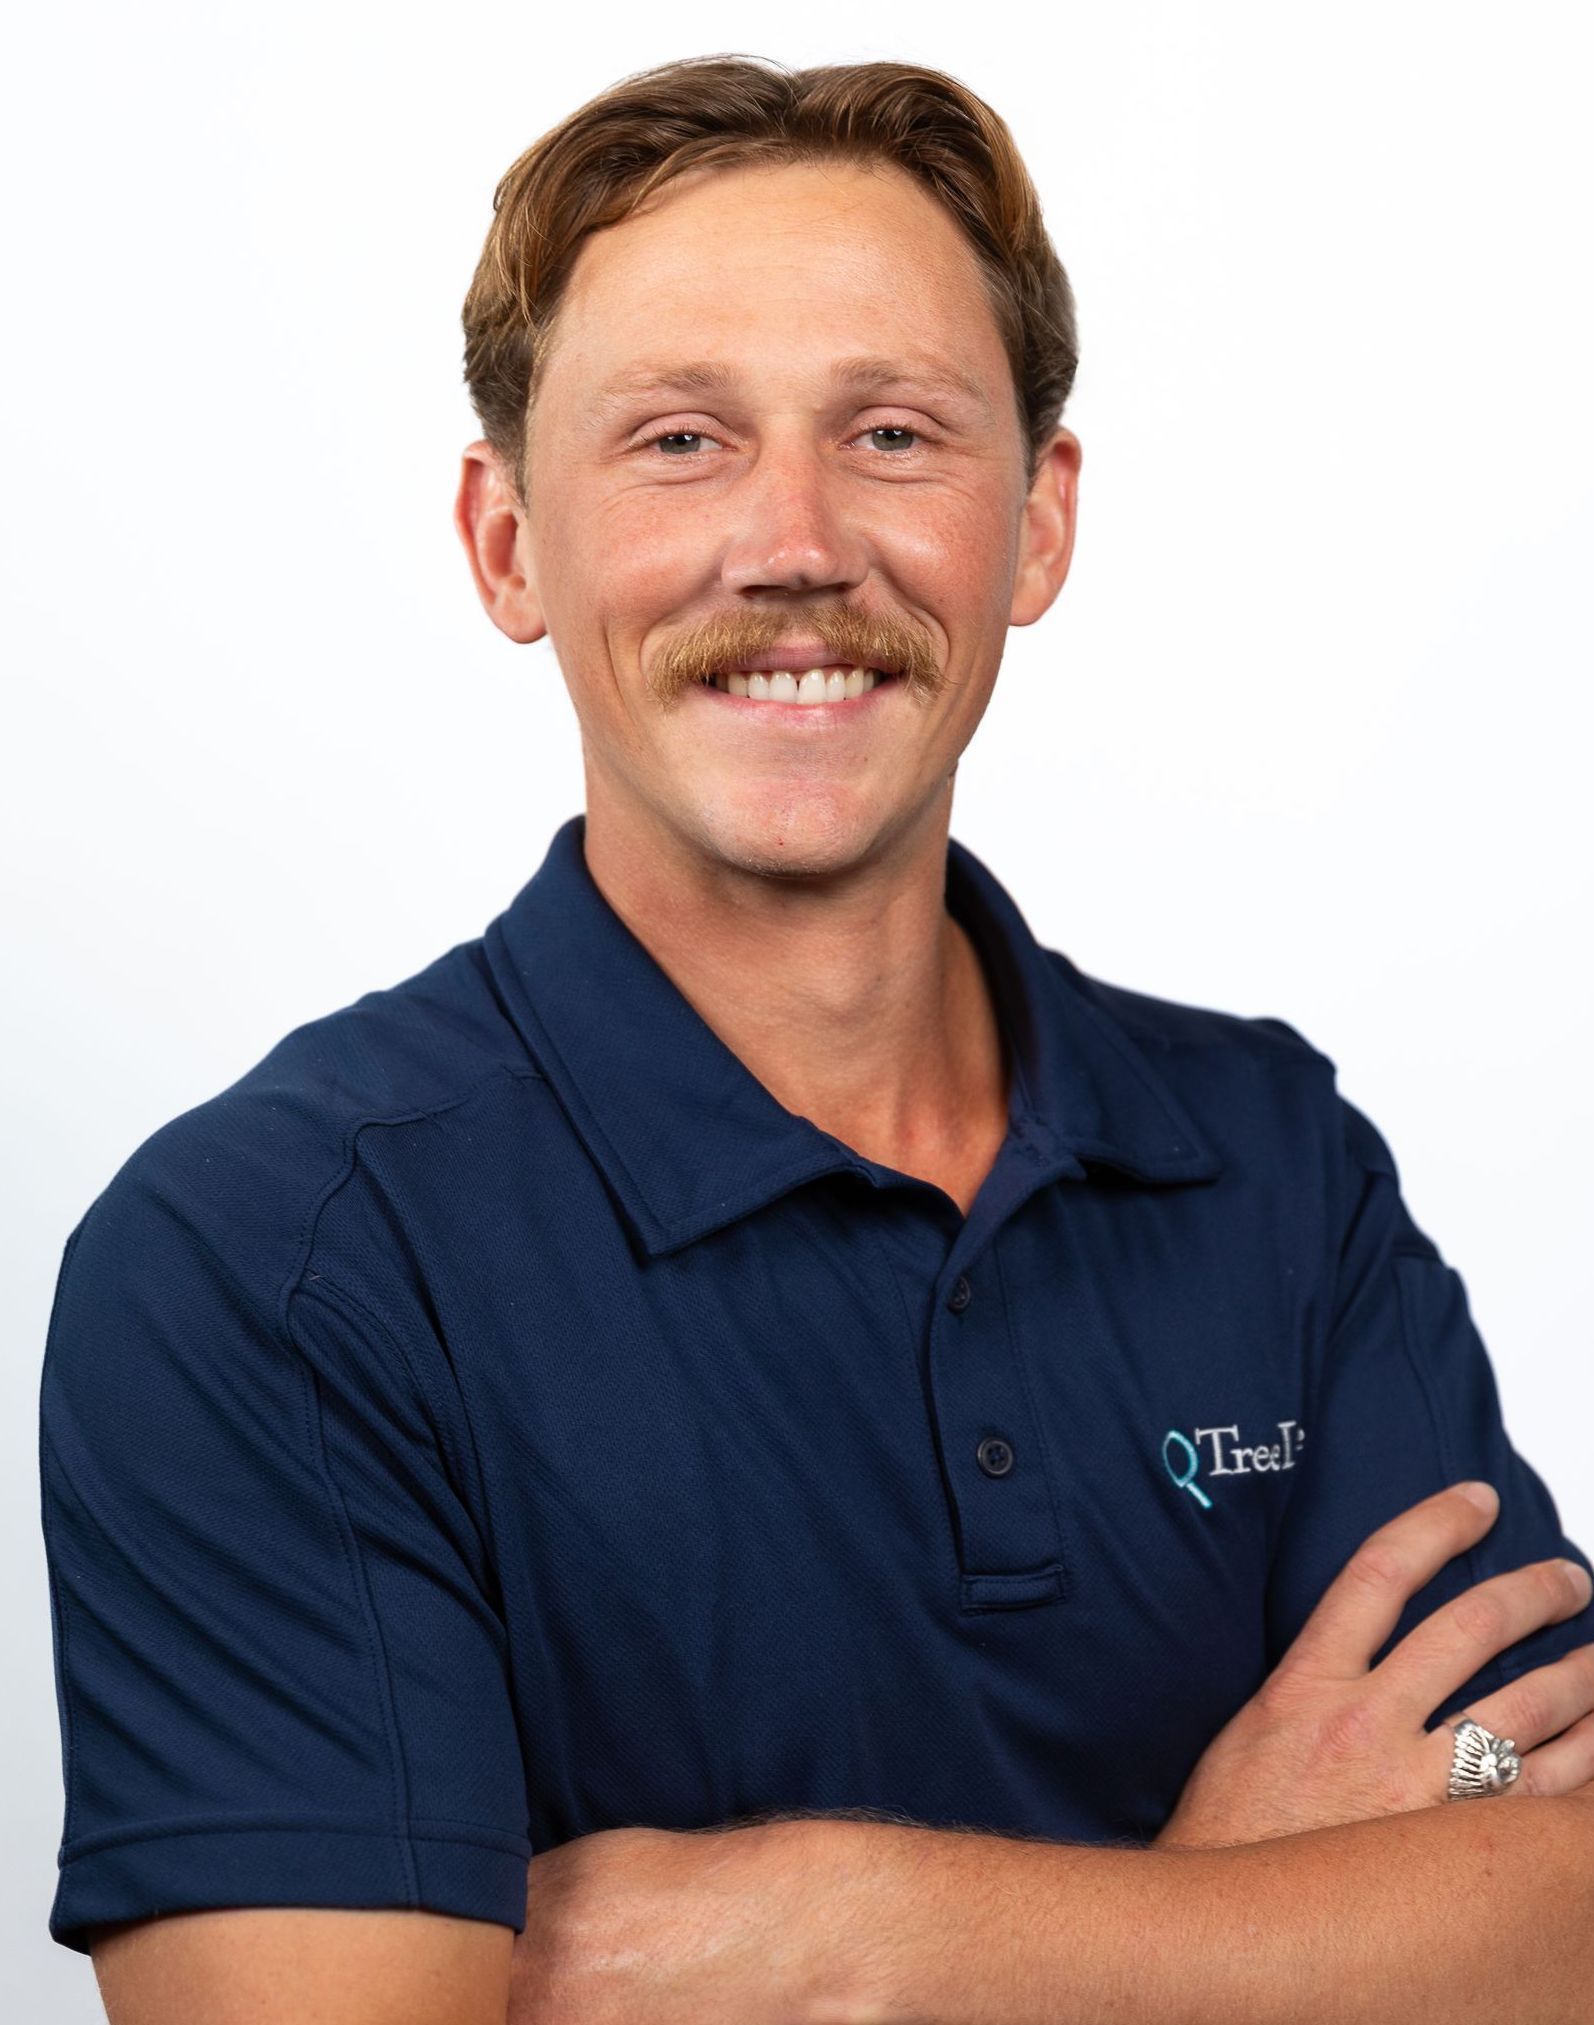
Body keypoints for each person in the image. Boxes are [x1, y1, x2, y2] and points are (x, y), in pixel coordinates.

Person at [40, 52, 1594, 2024]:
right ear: (507, 541)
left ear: (1034, 522)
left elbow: (1562, 1896)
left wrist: (851, 1937)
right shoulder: (266, 1260)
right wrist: (1269, 1923)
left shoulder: (1270, 1160)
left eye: (888, 431)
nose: (790, 540)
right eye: (678, 438)